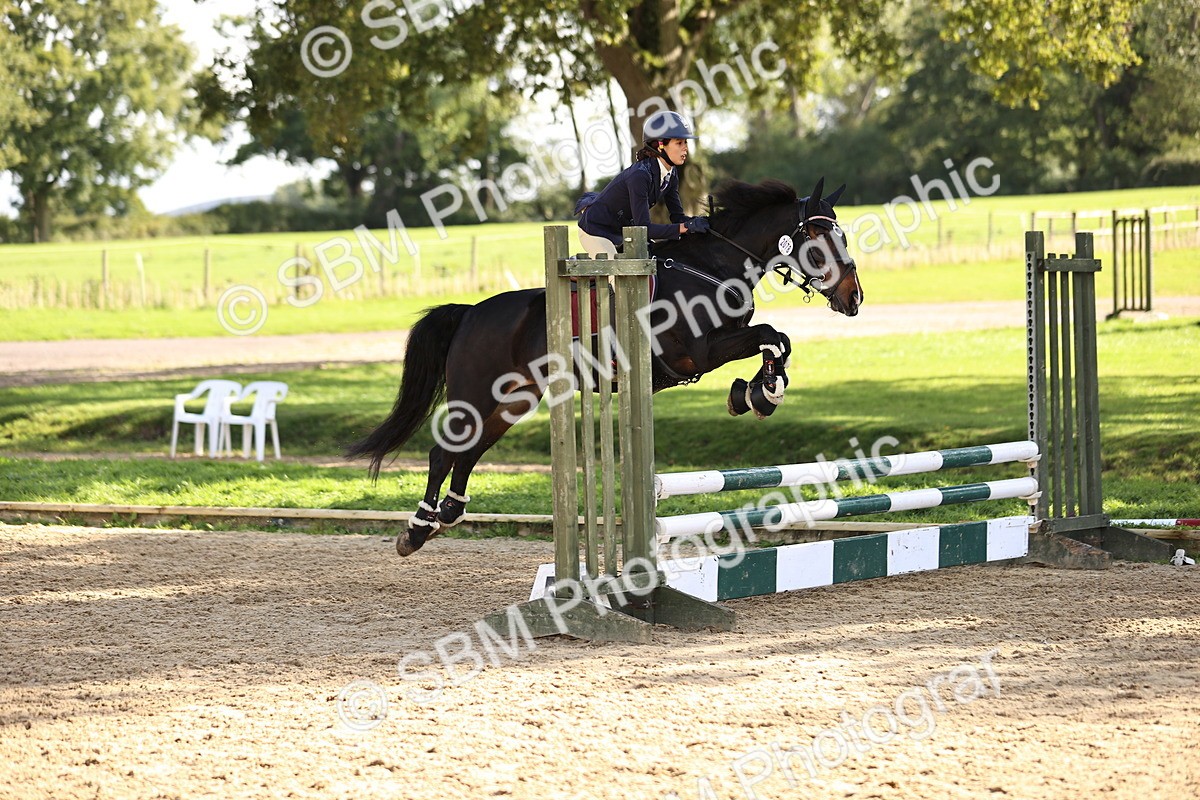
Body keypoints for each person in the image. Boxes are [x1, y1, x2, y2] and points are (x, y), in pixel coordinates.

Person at [574, 110, 710, 257]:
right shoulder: (639, 176)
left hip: (623, 232)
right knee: (617, 274)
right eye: (679, 143)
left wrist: (702, 222)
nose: (685, 148)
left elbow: (677, 217)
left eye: (685, 142)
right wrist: (684, 227)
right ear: (660, 145)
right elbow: (644, 227)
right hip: (596, 231)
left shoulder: (671, 174)